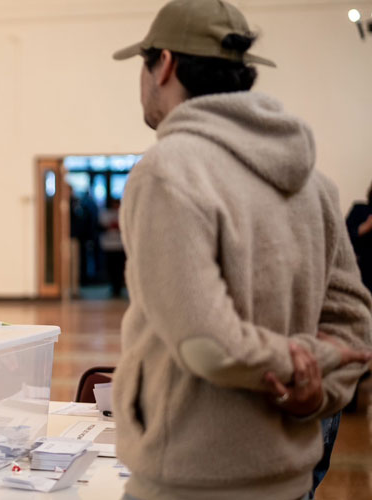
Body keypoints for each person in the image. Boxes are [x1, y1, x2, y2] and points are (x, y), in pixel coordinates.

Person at [109, 1, 372, 499]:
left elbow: (208, 344)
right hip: (291, 479)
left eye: (143, 66)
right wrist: (316, 385)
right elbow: (355, 330)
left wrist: (301, 362)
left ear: (163, 64)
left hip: (192, 480)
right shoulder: (315, 184)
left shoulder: (168, 169)